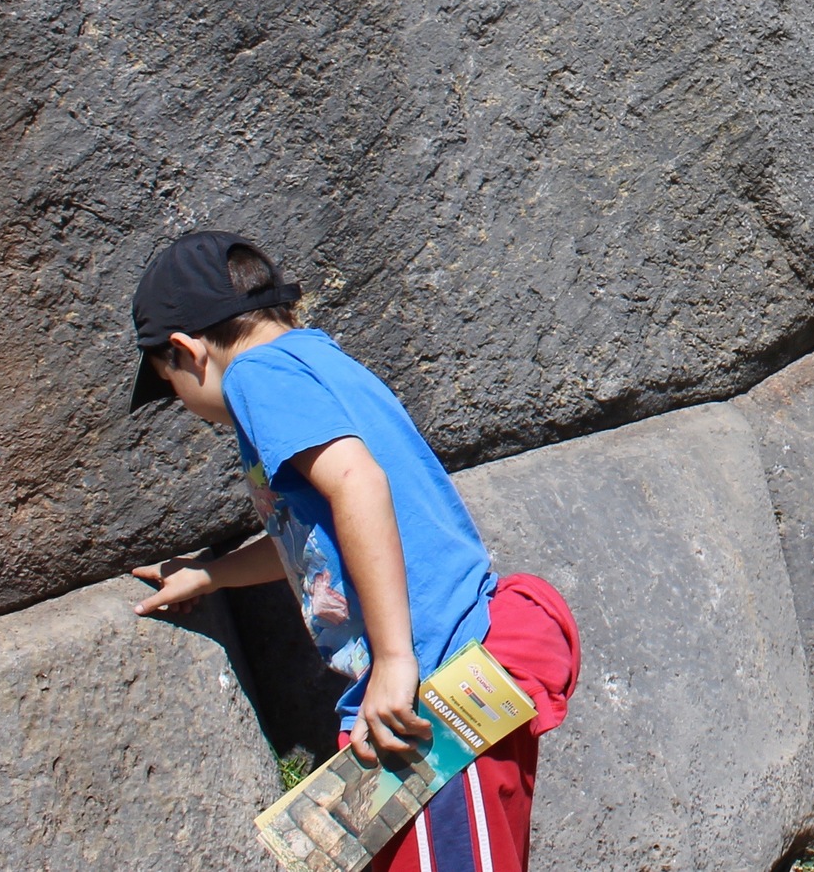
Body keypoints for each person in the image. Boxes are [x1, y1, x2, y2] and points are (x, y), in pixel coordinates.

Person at [125, 230, 577, 872]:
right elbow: (311, 541)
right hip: (446, 671)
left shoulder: (255, 375)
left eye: (171, 386)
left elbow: (359, 484)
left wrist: (394, 662)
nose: (187, 406)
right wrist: (214, 574)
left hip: (434, 684)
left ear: (186, 351)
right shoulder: (313, 358)